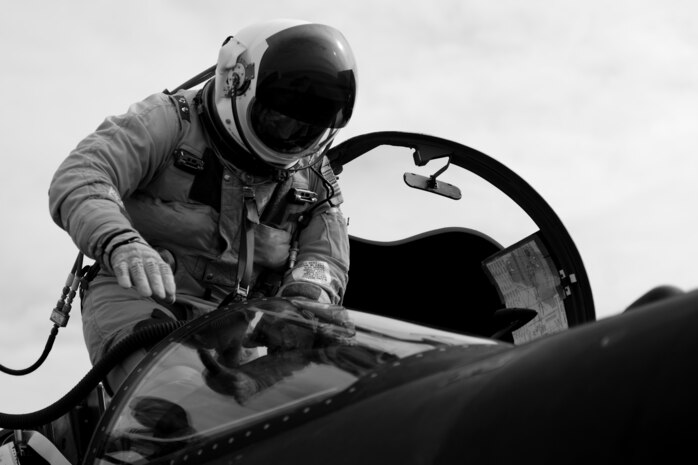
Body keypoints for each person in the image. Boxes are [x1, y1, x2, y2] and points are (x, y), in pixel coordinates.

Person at [48, 19, 358, 394]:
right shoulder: (168, 122)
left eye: (304, 128)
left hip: (236, 326)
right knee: (177, 402)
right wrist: (122, 243)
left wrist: (304, 303)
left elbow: (325, 258)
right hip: (141, 300)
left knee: (304, 410)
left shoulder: (313, 177)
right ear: (236, 85)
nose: (291, 135)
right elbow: (82, 175)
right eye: (279, 119)